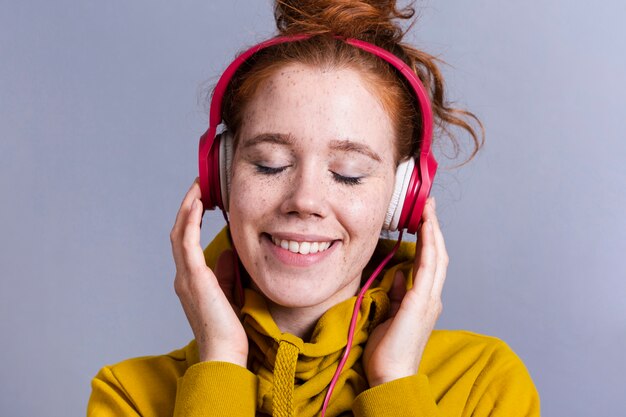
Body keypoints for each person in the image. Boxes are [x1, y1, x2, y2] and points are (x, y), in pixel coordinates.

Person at [88, 1, 540, 416]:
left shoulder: (483, 386)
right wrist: (221, 364)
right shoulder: (129, 396)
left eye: (348, 173)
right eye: (270, 165)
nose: (304, 200)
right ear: (221, 176)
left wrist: (395, 383)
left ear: (403, 197)